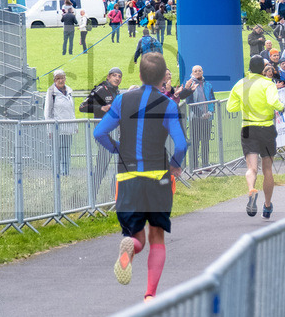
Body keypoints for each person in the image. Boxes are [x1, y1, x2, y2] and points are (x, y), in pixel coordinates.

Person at [95, 53, 187, 302]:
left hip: (128, 178)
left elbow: (99, 132)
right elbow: (181, 144)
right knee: (157, 236)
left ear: (139, 75)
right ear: (163, 77)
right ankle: (150, 295)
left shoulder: (122, 101)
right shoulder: (168, 104)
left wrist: (117, 149)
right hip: (158, 179)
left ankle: (130, 249)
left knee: (136, 237)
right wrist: (175, 166)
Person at [227, 56, 285, 219]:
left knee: (252, 168)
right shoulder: (268, 84)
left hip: (248, 127)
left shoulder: (240, 84)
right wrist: (281, 107)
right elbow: (273, 101)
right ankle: (267, 205)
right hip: (265, 126)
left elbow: (230, 107)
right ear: (262, 69)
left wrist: (245, 104)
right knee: (267, 169)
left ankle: (251, 189)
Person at [83, 67, 123, 194]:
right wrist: (102, 108)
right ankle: (92, 197)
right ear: (108, 77)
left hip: (117, 134)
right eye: (114, 75)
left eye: (119, 76)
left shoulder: (118, 92)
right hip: (104, 135)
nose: (117, 78)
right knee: (101, 167)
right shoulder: (100, 89)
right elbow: (83, 106)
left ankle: (113, 196)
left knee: (120, 167)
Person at [182, 65, 216, 172]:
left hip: (207, 118)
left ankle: (205, 163)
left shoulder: (208, 84)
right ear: (192, 73)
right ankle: (195, 165)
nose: (198, 72)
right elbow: (190, 102)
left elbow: (212, 99)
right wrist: (201, 114)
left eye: (199, 71)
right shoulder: (190, 85)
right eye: (195, 71)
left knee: (205, 141)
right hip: (195, 118)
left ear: (202, 71)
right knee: (195, 142)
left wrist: (210, 112)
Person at [44, 70, 77, 176]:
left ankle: (65, 174)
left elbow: (72, 110)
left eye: (62, 78)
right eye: (58, 78)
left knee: (66, 152)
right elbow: (47, 112)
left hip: (68, 128)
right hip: (57, 129)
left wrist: (75, 125)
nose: (61, 80)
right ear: (54, 80)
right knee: (57, 152)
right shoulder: (51, 92)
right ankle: (56, 175)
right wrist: (49, 129)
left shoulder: (69, 91)